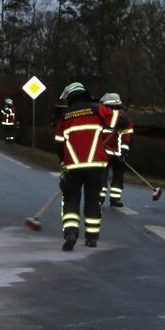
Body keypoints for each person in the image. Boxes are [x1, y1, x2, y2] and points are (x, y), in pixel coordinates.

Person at [54, 83, 111, 251]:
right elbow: (116, 119)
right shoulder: (97, 109)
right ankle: (92, 237)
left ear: (71, 98)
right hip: (95, 165)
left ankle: (71, 232)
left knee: (70, 200)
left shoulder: (64, 116)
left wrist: (62, 161)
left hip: (73, 165)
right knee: (93, 200)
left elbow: (59, 143)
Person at [98, 93, 133, 208]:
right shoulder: (126, 118)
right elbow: (127, 136)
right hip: (118, 153)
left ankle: (100, 197)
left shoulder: (102, 114)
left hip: (103, 150)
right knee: (118, 175)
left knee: (102, 175)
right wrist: (123, 152)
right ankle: (115, 199)